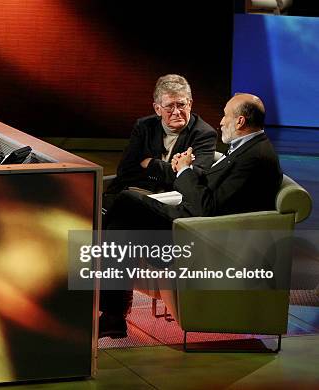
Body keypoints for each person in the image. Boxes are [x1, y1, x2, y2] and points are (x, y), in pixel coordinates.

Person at [100, 93, 283, 338]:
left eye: (225, 116)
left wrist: (185, 171)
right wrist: (184, 168)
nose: (220, 122)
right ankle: (113, 313)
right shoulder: (246, 149)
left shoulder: (255, 157)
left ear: (239, 121)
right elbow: (213, 190)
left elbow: (206, 208)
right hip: (191, 222)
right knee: (123, 211)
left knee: (124, 208)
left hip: (201, 237)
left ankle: (111, 309)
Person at [105, 74, 217, 196]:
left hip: (172, 197)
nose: (176, 112)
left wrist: (152, 164)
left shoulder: (204, 134)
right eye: (169, 106)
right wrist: (173, 169)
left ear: (189, 104)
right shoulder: (144, 126)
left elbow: (195, 179)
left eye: (181, 105)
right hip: (136, 189)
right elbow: (125, 170)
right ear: (157, 109)